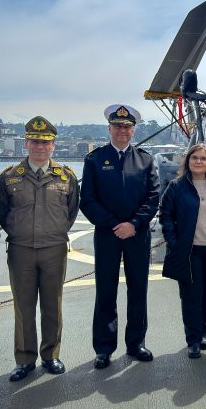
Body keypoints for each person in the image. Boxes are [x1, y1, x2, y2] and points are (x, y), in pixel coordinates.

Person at [0, 116, 80, 381]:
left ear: (53, 146)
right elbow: (2, 212)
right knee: (23, 306)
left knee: (52, 305)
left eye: (45, 143)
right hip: (21, 249)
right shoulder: (9, 177)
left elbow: (71, 211)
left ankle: (50, 355)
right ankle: (24, 358)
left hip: (54, 248)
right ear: (26, 143)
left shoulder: (66, 176)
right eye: (34, 142)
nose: (39, 147)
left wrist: (54, 232)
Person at [80, 104, 159, 369]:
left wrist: (134, 223)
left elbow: (153, 197)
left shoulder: (146, 160)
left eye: (127, 127)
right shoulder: (94, 160)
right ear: (110, 128)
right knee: (106, 290)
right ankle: (104, 348)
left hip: (137, 234)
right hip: (107, 235)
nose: (122, 131)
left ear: (133, 130)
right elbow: (87, 200)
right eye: (117, 126)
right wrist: (115, 224)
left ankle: (136, 343)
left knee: (138, 289)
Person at [159, 143, 206, 359]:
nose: (199, 161)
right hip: (188, 250)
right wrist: (174, 242)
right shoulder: (176, 186)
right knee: (191, 295)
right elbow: (165, 215)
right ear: (188, 161)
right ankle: (192, 338)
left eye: (203, 158)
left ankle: (203, 332)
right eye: (195, 158)